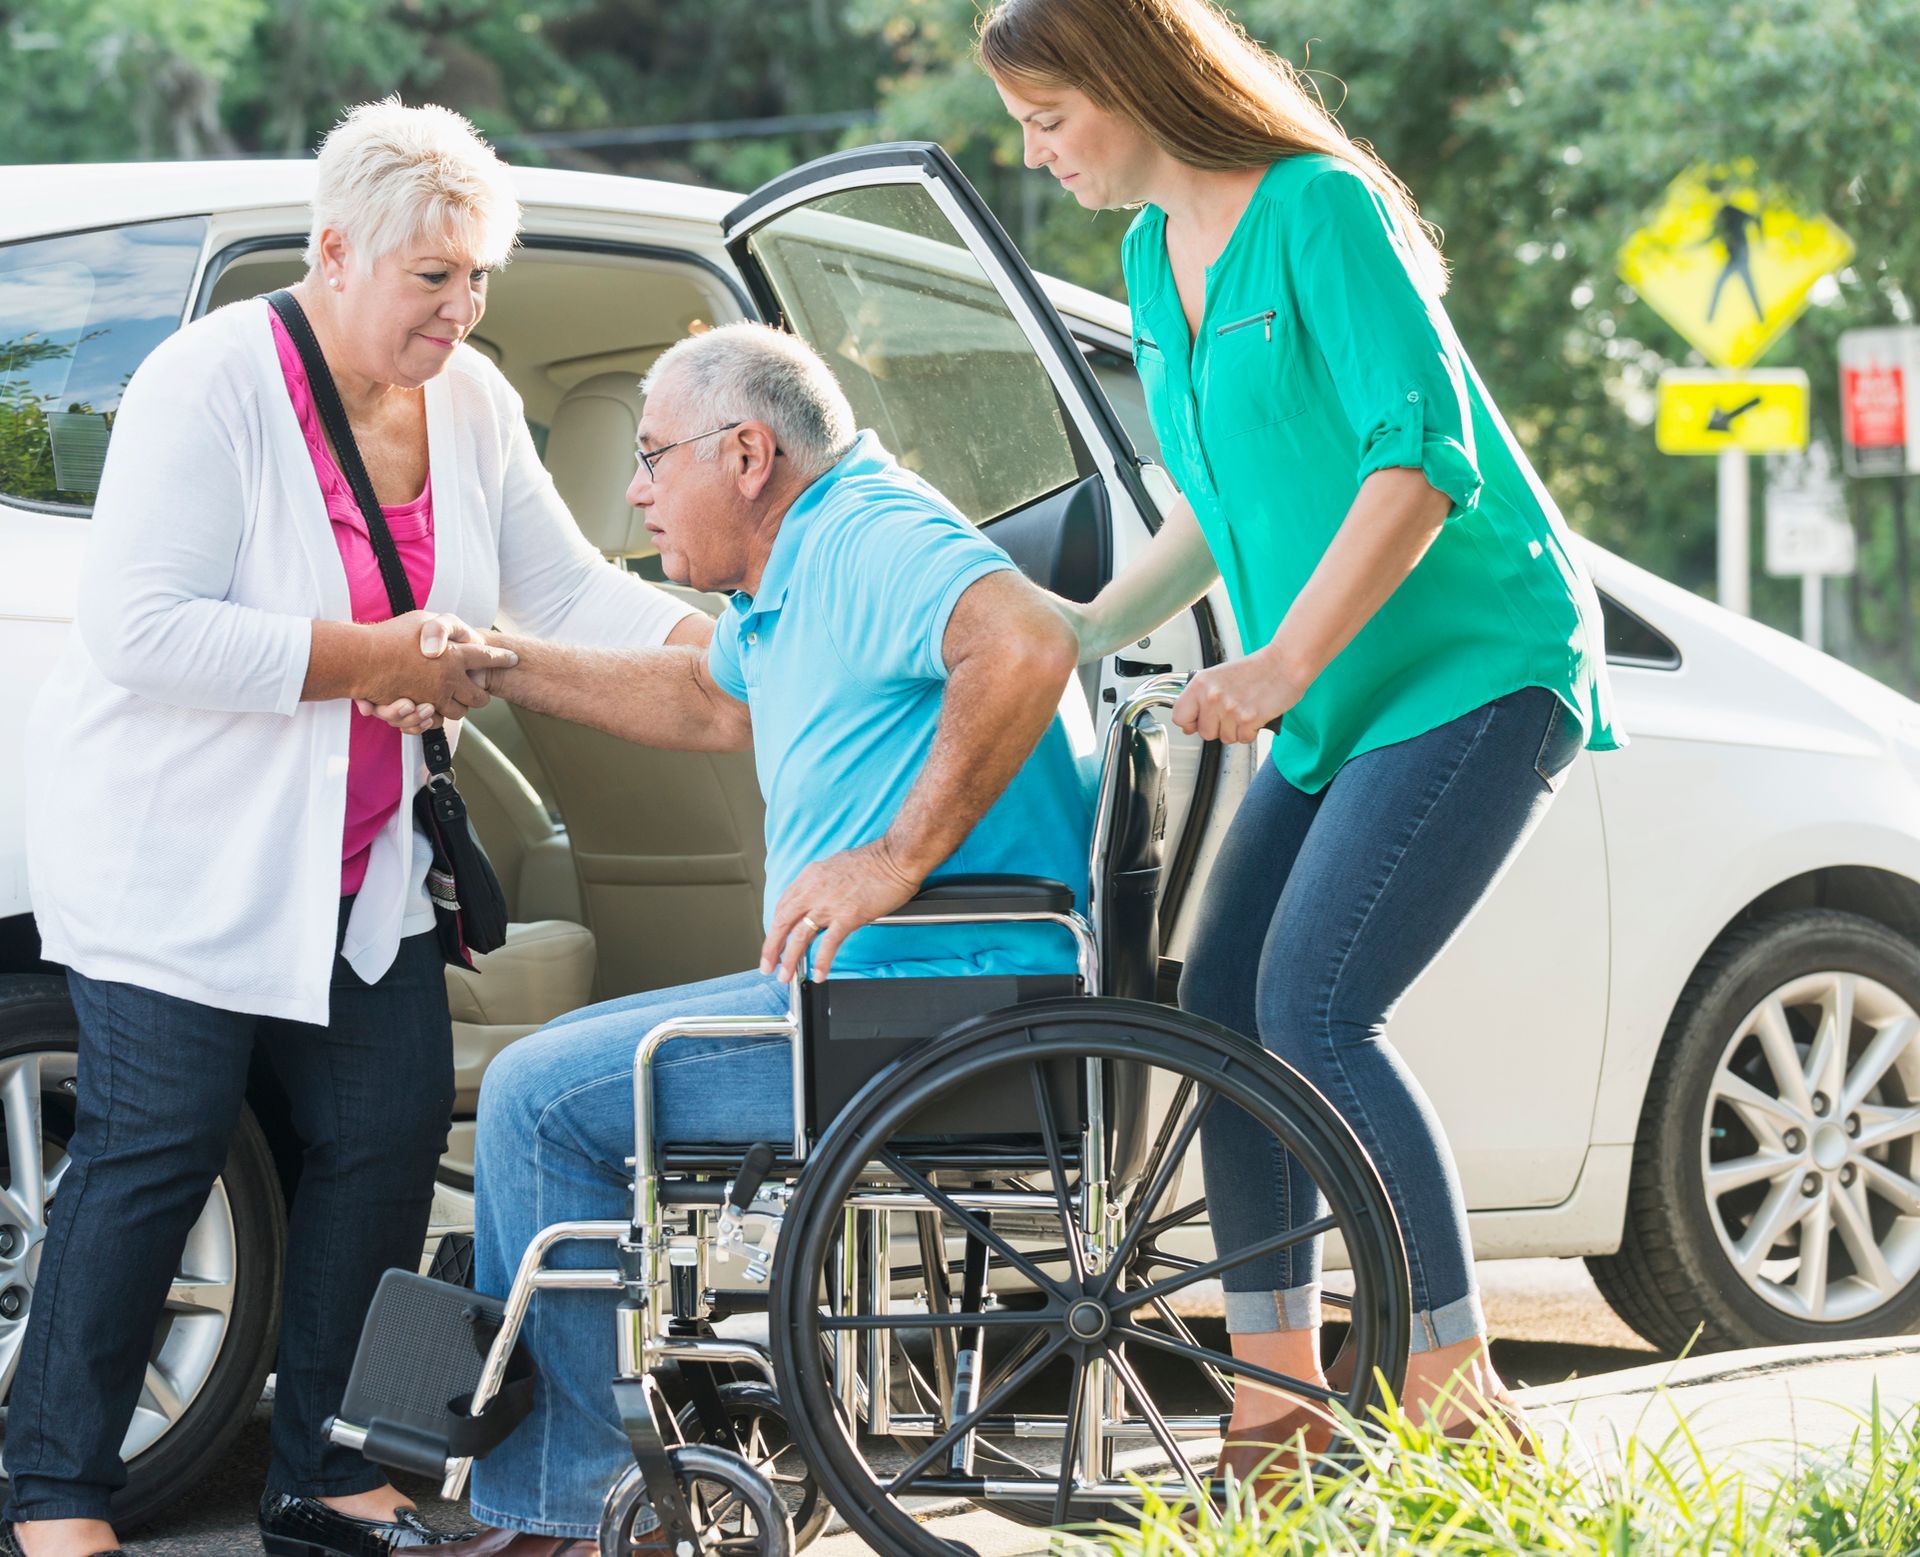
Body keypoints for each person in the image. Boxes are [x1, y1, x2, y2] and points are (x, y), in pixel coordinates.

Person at [12, 100, 702, 1557]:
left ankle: (331, 1474)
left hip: (364, 872)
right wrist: (375, 660)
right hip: (179, 864)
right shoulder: (211, 382)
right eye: (432, 277)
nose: (462, 310)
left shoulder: (475, 403)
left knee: (388, 1138)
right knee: (154, 1153)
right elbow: (141, 630)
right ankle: (54, 1495)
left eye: (479, 279)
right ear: (336, 252)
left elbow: (563, 594)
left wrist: (729, 633)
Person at [977, 0, 1622, 1474]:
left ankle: (1462, 1390)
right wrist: (1077, 631)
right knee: (1222, 1018)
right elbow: (1211, 497)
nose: (1038, 154)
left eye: (1052, 116)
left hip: (1476, 664)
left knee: (1319, 1007)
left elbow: (1423, 460)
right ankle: (1278, 1409)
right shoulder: (1151, 258)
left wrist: (1275, 664)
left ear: (1137, 84)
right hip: (1338, 702)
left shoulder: (1318, 212)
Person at [421, 322, 1087, 1555]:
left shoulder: (870, 538)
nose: (635, 489)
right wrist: (504, 668)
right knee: (556, 1075)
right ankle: (576, 1463)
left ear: (746, 453)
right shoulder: (798, 569)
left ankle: (561, 1509)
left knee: (535, 1095)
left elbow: (1030, 640)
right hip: (863, 995)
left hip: (917, 1009)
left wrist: (893, 859)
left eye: (652, 456)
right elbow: (706, 696)